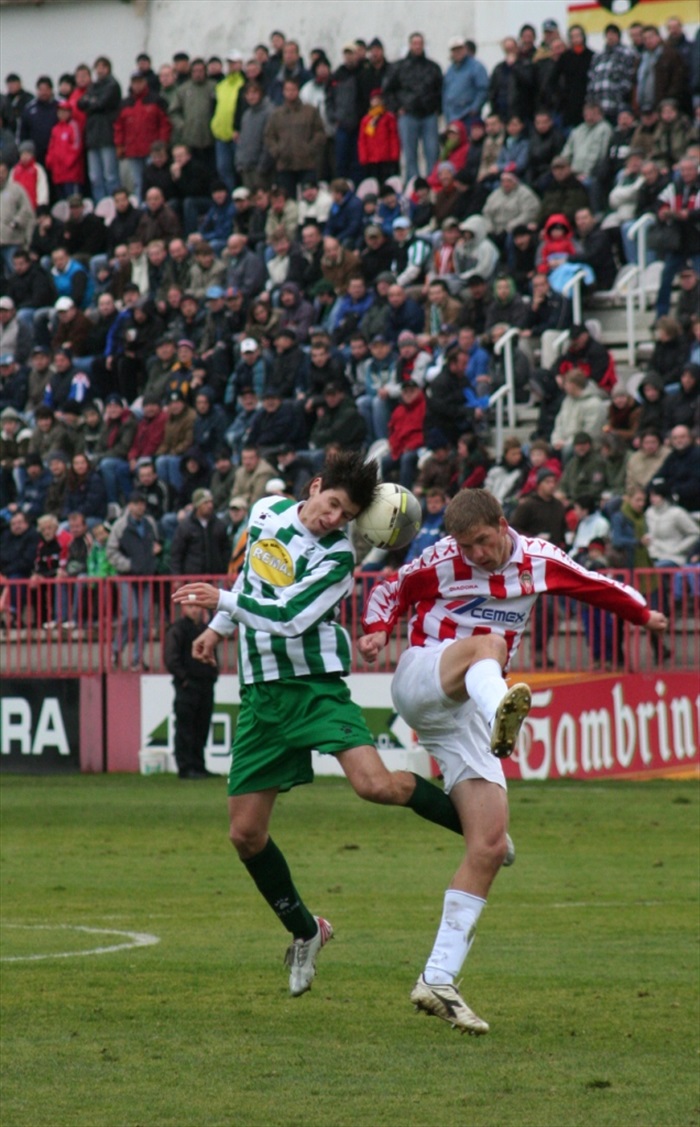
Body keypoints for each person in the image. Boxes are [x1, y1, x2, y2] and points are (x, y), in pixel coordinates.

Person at [358, 489, 667, 1033]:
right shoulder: (441, 560)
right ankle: (501, 707)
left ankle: (437, 978)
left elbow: (595, 586)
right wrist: (378, 629)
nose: (476, 554)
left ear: (502, 525)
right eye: (466, 546)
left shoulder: (539, 560)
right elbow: (391, 589)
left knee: (490, 844)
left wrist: (643, 614)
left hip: (465, 716)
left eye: (482, 541)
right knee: (490, 646)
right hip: (425, 677)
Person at [173, 451, 480, 997]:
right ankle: (307, 931)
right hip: (262, 694)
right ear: (314, 487)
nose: (334, 519)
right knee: (245, 834)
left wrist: (222, 602)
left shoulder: (337, 558)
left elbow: (289, 617)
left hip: (315, 687)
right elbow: (251, 578)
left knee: (375, 785)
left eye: (347, 515)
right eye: (333, 504)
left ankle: (480, 831)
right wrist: (218, 628)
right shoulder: (266, 511)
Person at [165, 600, 219, 779]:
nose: (194, 610)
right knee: (185, 727)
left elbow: (214, 654)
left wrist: (213, 675)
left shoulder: (206, 630)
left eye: (196, 606)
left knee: (202, 727)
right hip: (187, 687)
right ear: (184, 608)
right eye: (190, 606)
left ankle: (199, 765)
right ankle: (185, 767)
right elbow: (171, 659)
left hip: (205, 684)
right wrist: (184, 679)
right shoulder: (177, 630)